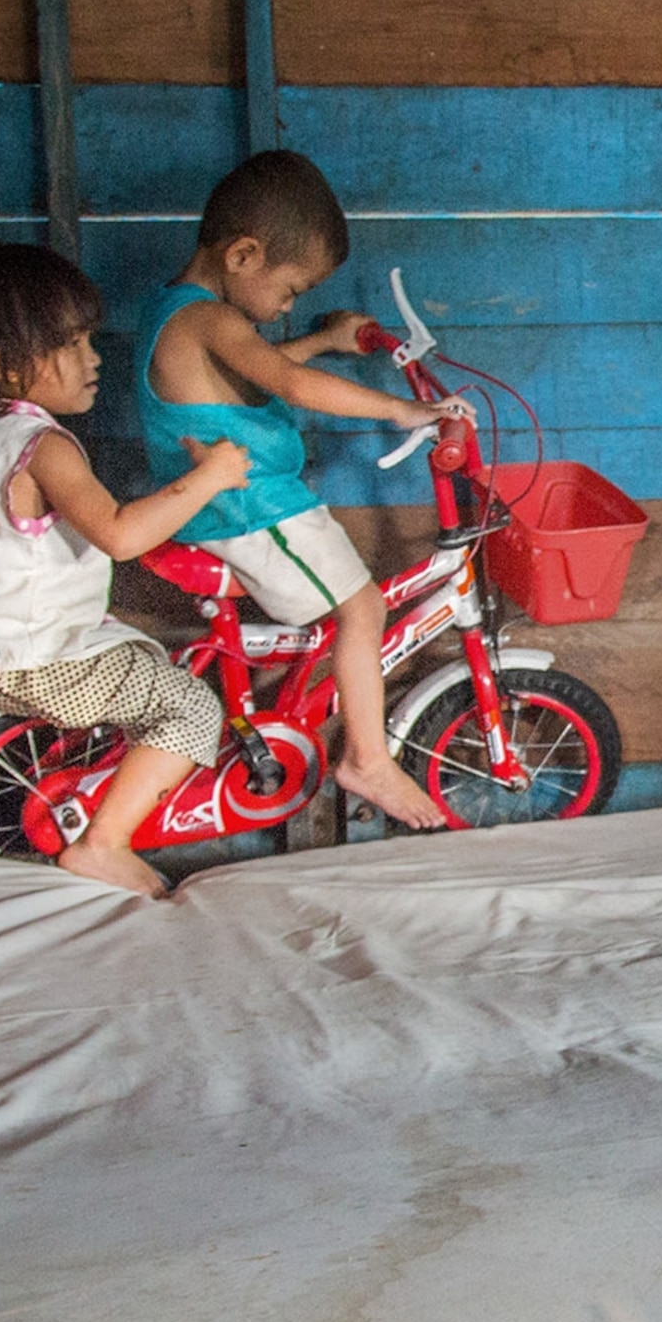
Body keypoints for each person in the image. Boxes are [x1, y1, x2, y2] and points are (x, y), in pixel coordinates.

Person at [0, 237, 253, 898]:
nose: (93, 358)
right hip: (29, 657)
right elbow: (121, 535)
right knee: (188, 706)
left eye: (88, 340)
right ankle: (103, 844)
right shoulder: (42, 448)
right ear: (5, 363)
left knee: (139, 656)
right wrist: (211, 477)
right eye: (71, 345)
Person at [137, 151, 466, 830]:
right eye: (290, 290)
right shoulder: (208, 320)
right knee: (363, 610)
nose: (290, 306)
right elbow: (285, 385)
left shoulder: (182, 316)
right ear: (244, 255)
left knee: (350, 611)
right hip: (253, 508)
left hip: (243, 506)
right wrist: (402, 413)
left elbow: (251, 374)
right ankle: (367, 760)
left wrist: (320, 340)